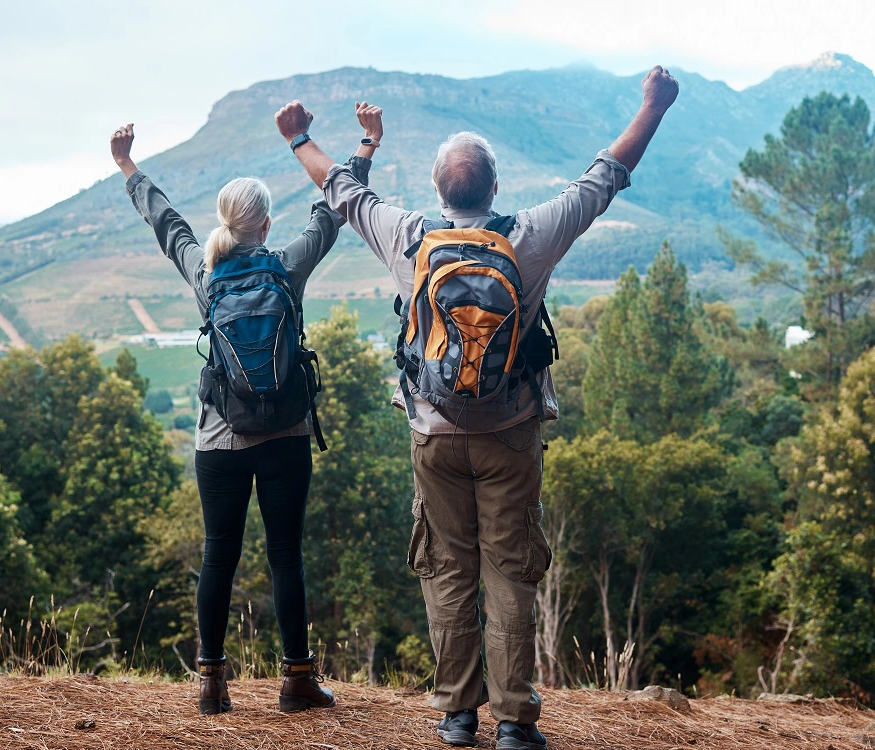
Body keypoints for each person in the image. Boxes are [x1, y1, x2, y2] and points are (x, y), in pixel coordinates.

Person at [273, 67, 680, 749]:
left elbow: (340, 191)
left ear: (438, 188)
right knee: (511, 573)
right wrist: (653, 107)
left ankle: (458, 713)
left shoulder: (407, 234)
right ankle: (515, 722)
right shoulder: (531, 236)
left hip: (432, 434)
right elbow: (606, 176)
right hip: (511, 435)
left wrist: (300, 138)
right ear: (494, 187)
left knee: (447, 570)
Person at [107, 103, 384, 715]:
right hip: (284, 433)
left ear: (226, 223)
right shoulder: (286, 268)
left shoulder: (205, 275)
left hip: (218, 438)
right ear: (264, 223)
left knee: (217, 554)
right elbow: (336, 211)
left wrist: (127, 163)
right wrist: (365, 146)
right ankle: (297, 680)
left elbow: (166, 223)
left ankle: (210, 682)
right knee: (286, 554)